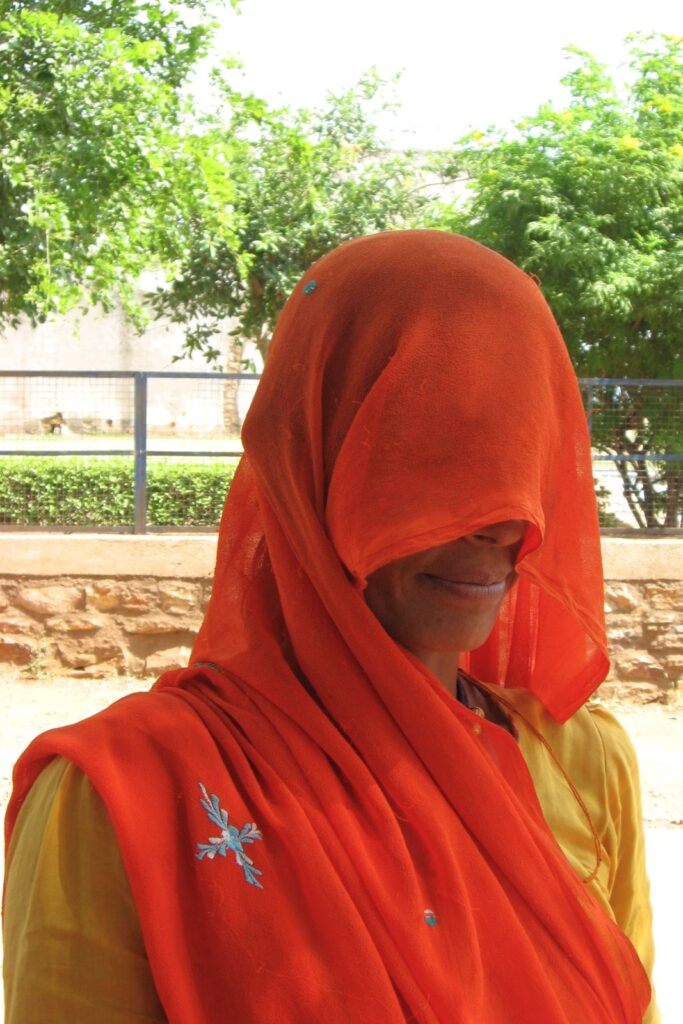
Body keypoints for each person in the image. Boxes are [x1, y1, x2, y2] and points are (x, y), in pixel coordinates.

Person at [4, 231, 657, 1023]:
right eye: (436, 460)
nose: (501, 517)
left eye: (519, 455)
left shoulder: (586, 769)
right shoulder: (129, 798)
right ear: (311, 462)